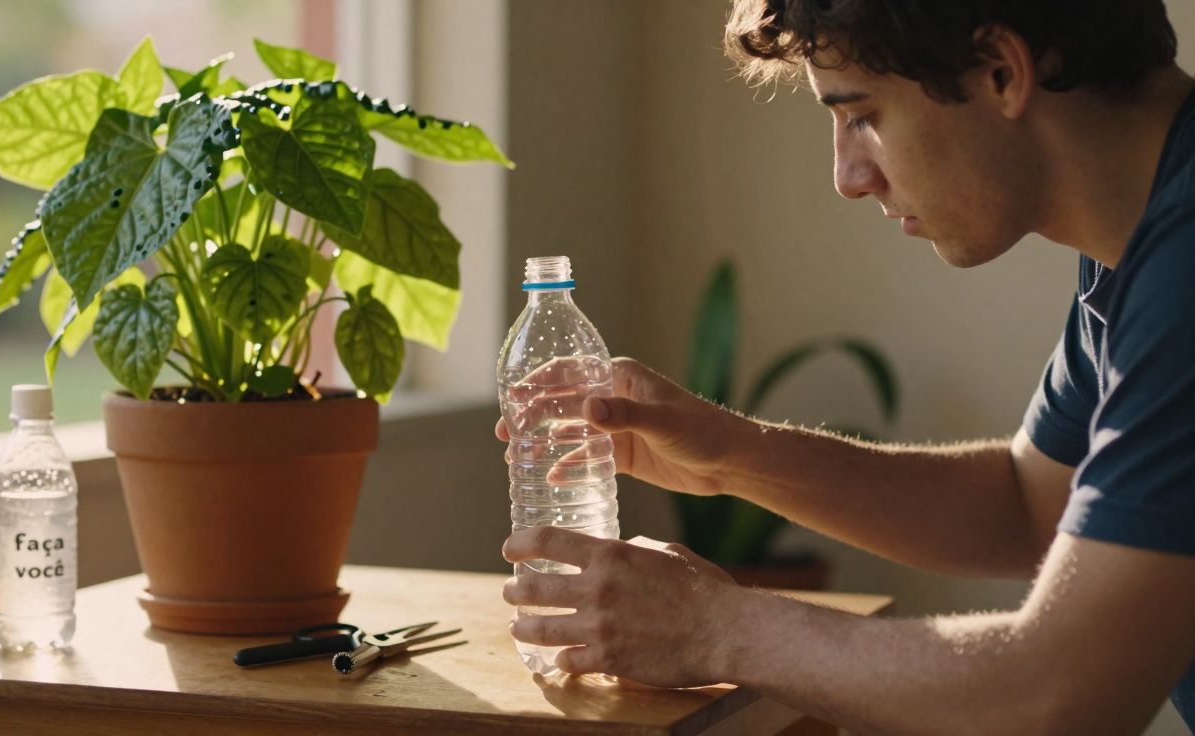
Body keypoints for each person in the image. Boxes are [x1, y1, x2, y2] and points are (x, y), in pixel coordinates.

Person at [496, 1, 1195, 733]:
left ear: (1001, 71)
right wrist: (731, 458)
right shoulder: (1137, 243)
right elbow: (1032, 506)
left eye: (862, 116)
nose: (848, 175)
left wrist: (715, 629)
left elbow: (1057, 693)